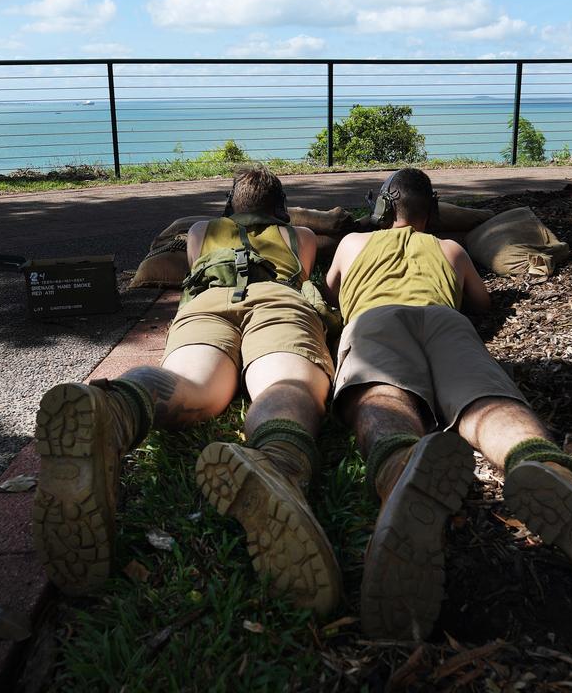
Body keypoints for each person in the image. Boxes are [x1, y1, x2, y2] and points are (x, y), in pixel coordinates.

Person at [323, 167, 572, 645]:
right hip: (444, 321)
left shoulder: (353, 242)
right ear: (431, 213)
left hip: (375, 321)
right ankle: (544, 467)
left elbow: (334, 291)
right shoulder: (450, 250)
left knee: (380, 392)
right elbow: (479, 302)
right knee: (486, 400)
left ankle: (400, 473)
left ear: (380, 209)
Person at [33, 163, 342, 615]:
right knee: (284, 383)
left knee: (191, 383)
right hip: (277, 303)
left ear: (228, 207)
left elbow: (191, 263)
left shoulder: (201, 231)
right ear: (281, 209)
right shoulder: (303, 238)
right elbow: (299, 273)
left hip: (208, 306)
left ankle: (116, 411)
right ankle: (279, 466)